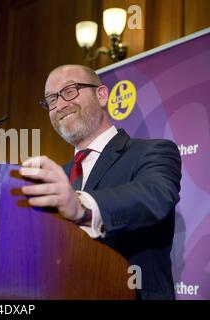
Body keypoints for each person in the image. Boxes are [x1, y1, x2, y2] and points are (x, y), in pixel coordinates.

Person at [20, 64, 181, 300]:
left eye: (70, 90)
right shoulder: (56, 179)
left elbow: (155, 197)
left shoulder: (153, 151)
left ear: (102, 95)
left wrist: (80, 207)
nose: (61, 105)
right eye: (51, 99)